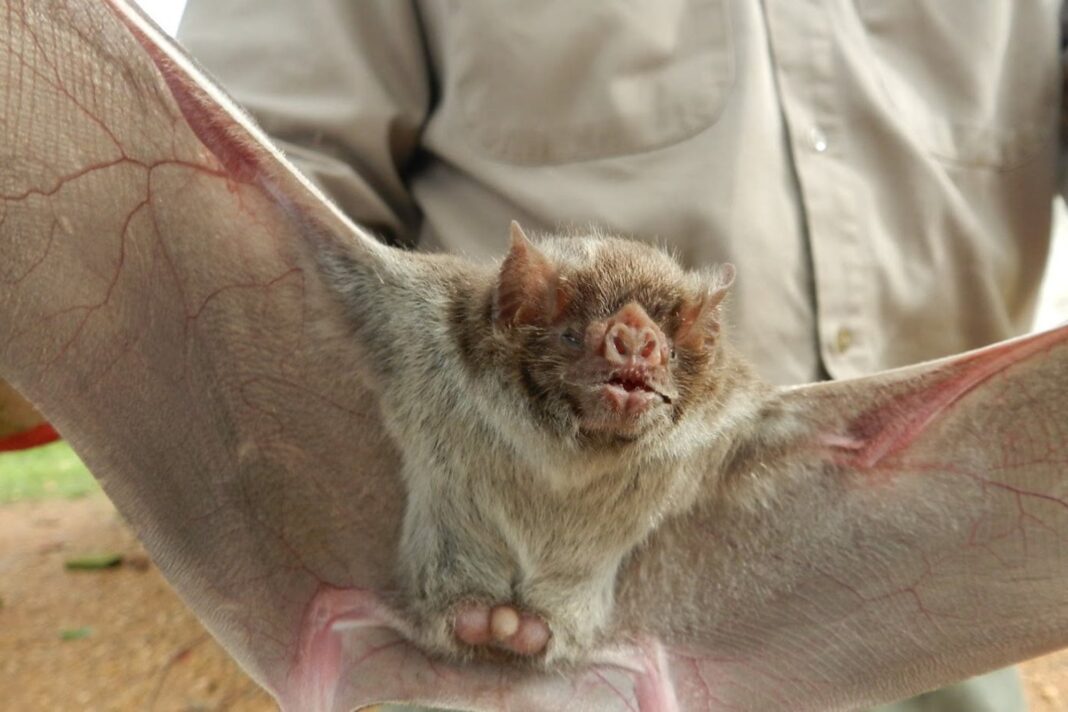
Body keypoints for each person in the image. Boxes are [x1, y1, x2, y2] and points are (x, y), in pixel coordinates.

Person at [178, 2, 1064, 709]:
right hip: (483, 611)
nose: (633, 364)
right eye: (582, 335)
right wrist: (368, 502)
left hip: (923, 564)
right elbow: (247, 189)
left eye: (662, 347)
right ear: (522, 310)